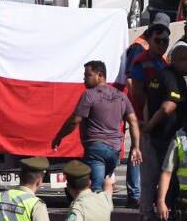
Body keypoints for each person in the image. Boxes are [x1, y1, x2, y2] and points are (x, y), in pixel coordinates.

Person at [52, 61, 142, 192]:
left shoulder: (89, 95)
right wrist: (136, 147)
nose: (84, 79)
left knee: (97, 187)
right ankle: (105, 208)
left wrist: (59, 137)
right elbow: (133, 121)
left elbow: (74, 121)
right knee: (106, 183)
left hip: (96, 149)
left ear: (99, 75)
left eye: (87, 75)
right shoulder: (121, 96)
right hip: (114, 150)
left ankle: (97, 209)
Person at [137, 45, 187, 221]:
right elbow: (169, 105)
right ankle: (166, 218)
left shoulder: (158, 75)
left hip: (157, 134)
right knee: (168, 177)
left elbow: (147, 100)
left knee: (150, 178)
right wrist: (150, 125)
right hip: (166, 136)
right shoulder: (172, 77)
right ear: (176, 60)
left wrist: (147, 124)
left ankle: (147, 216)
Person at [123, 12, 170, 209]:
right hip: (144, 117)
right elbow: (133, 82)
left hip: (156, 118)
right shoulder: (139, 51)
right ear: (149, 35)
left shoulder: (161, 59)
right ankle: (136, 195)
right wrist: (140, 116)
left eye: (165, 39)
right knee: (139, 154)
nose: (161, 43)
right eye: (157, 38)